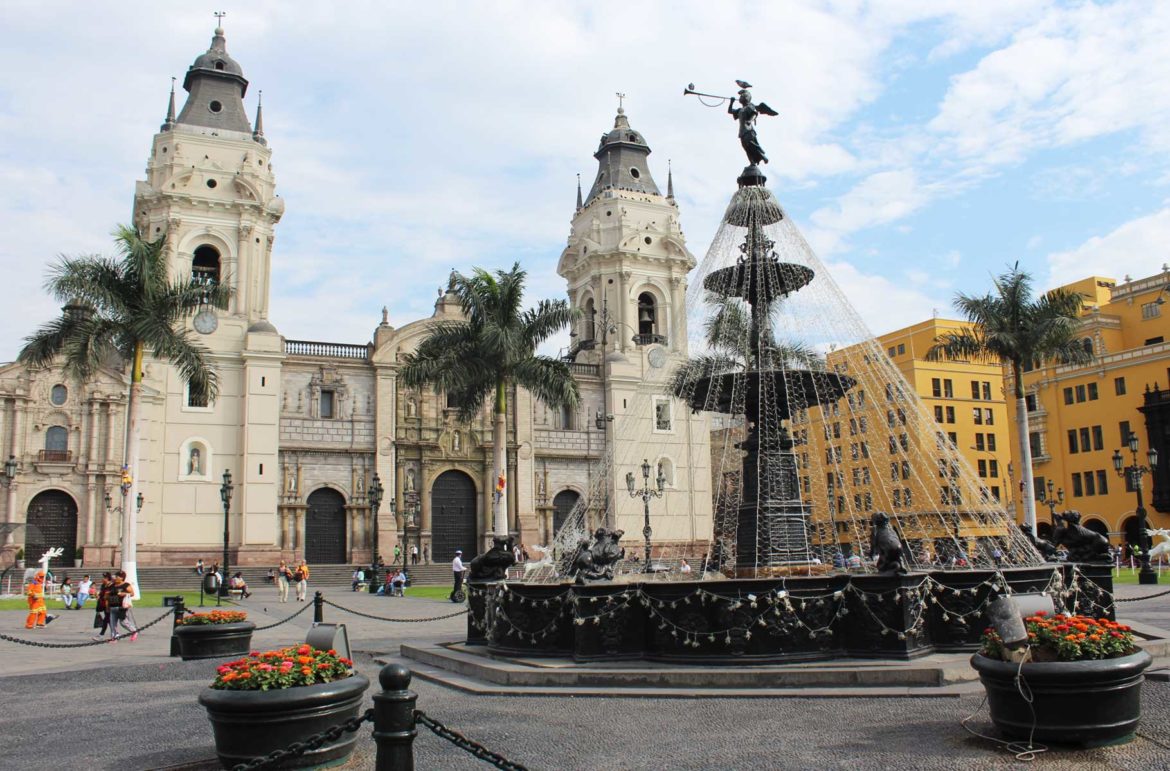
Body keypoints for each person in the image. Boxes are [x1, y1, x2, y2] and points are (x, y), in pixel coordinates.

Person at [110, 570, 138, 642]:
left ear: (122, 578)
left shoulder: (126, 585)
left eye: (117, 577)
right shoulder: (112, 585)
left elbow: (132, 593)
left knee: (123, 622)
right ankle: (114, 637)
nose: (116, 578)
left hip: (122, 606)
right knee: (113, 623)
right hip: (112, 605)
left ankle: (134, 631)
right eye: (116, 576)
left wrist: (123, 593)